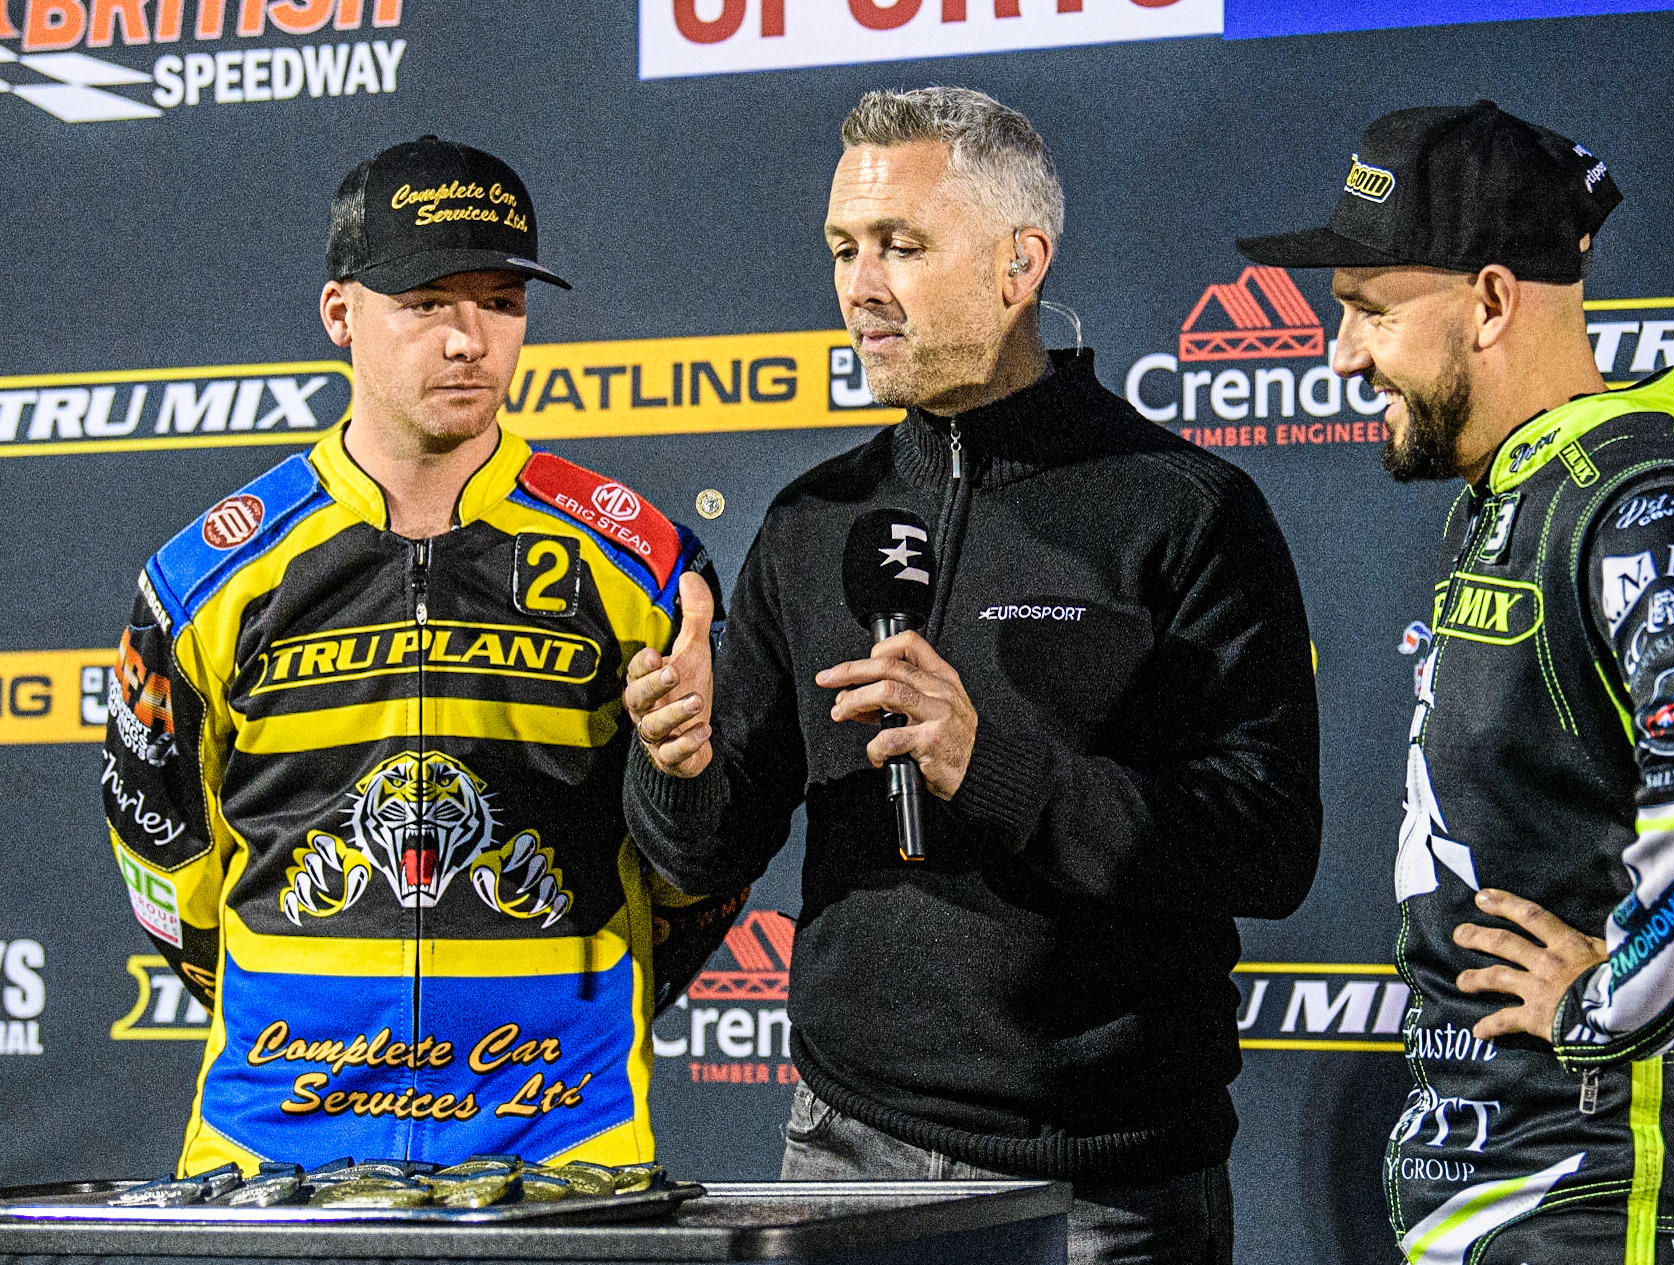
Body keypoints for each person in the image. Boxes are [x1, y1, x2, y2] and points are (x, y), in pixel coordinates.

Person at [621, 86, 1322, 1265]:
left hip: (1106, 1188)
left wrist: (988, 766)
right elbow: (705, 852)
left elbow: (1265, 845)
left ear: (1018, 263)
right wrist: (675, 763)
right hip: (843, 1156)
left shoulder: (1182, 511)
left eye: (900, 245)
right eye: (843, 247)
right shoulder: (810, 522)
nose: (859, 285)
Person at [1238, 101, 1674, 1263]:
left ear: (1490, 300)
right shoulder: (1528, 492)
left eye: (1369, 311)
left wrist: (1604, 996)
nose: (1340, 355)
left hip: (1615, 1200)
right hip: (1513, 1196)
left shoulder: (1646, 506)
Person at [102, 135, 739, 1174]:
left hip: (561, 1152)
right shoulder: (203, 579)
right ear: (339, 313)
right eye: (426, 301)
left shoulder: (648, 569)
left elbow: (704, 876)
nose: (467, 340)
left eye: (500, 302)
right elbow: (166, 867)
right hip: (274, 1153)